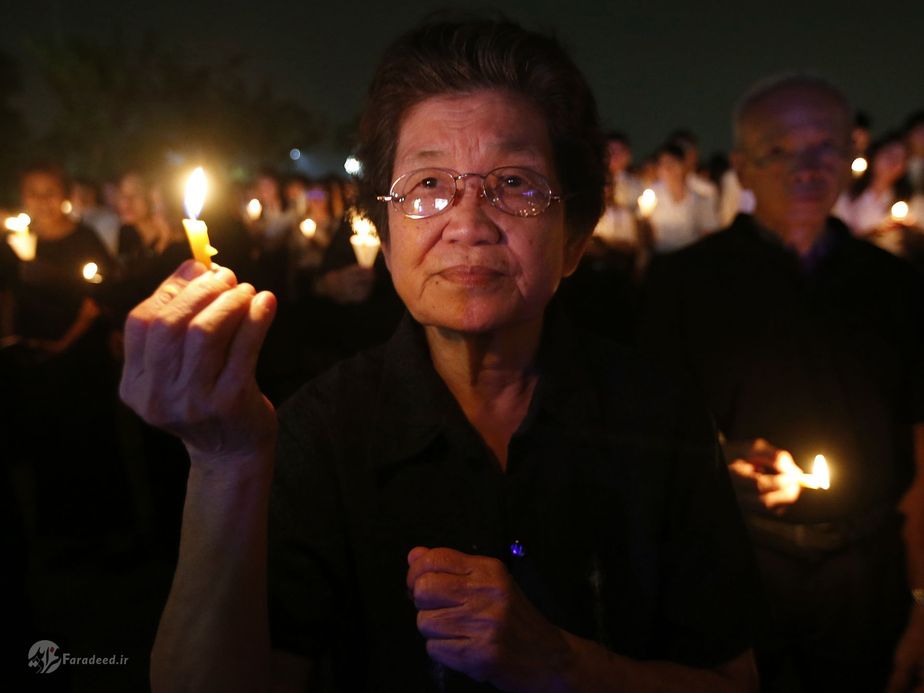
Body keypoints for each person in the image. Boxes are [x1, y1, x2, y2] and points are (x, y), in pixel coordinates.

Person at [122, 18, 759, 692]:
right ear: (384, 237)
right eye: (427, 186)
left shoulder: (660, 416)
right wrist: (224, 461)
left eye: (515, 183)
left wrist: (563, 666)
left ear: (574, 237)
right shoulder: (320, 432)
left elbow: (733, 680)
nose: (468, 222)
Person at [638, 74, 924, 693]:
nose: (805, 168)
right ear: (742, 166)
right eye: (779, 151)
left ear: (850, 153)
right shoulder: (684, 285)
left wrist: (922, 603)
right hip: (734, 571)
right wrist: (722, 459)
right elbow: (647, 440)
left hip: (867, 575)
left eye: (824, 147)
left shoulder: (895, 288)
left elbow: (922, 451)